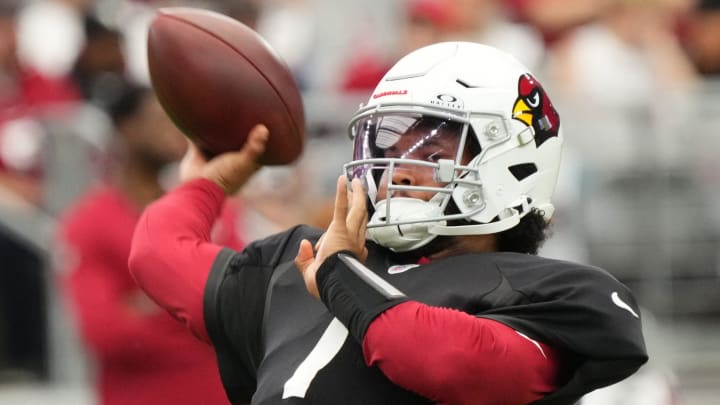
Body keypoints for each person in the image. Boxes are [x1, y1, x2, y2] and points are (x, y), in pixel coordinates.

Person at [128, 42, 648, 404]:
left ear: (511, 160)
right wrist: (209, 184)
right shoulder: (301, 259)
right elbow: (157, 253)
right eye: (386, 145)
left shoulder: (555, 291)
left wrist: (339, 276)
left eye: (431, 146)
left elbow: (452, 363)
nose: (397, 166)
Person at [57, 84, 239, 405]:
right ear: (126, 128)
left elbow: (240, 304)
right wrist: (195, 303)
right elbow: (105, 331)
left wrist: (150, 302)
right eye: (160, 118)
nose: (174, 130)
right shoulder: (89, 223)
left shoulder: (210, 209)